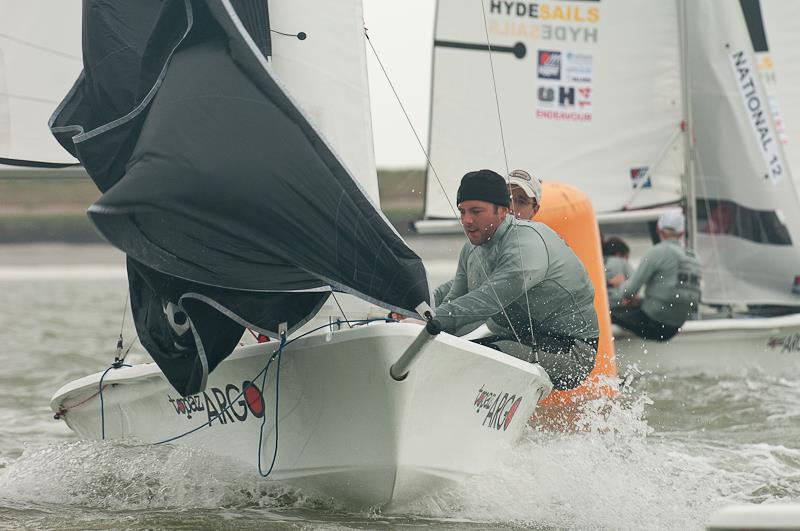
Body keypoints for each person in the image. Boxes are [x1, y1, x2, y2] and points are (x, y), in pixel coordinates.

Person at [433, 169, 599, 391]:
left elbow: (488, 300)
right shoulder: (473, 249)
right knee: (446, 349)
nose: (467, 220)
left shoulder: (528, 245)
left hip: (568, 349)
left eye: (476, 211)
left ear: (502, 211)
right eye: (462, 212)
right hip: (514, 337)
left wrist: (430, 321)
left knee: (470, 358)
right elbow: (454, 295)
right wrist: (411, 314)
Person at [433, 169, 542, 306]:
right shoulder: (479, 246)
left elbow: (484, 300)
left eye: (520, 201)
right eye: (507, 198)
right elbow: (462, 286)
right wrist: (421, 301)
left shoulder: (537, 248)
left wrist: (438, 321)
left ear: (535, 209)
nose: (511, 207)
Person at [609, 209, 701, 341]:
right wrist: (640, 300)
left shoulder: (657, 252)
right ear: (682, 233)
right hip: (676, 326)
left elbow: (628, 291)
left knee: (605, 315)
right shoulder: (694, 257)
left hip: (655, 324)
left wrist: (620, 284)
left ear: (658, 230)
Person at [602, 236, 633, 308]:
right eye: (627, 257)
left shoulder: (596, 264)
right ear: (618, 254)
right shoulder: (621, 262)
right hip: (620, 306)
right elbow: (635, 283)